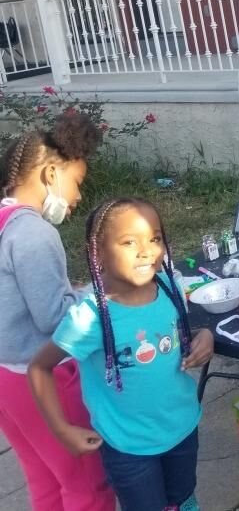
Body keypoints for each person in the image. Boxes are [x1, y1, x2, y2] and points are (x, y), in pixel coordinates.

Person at [29, 198, 214, 511]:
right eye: (129, 242)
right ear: (97, 252)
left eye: (154, 239)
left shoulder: (170, 286)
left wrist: (204, 337)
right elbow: (39, 368)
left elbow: (179, 333)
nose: (146, 251)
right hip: (129, 448)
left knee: (183, 500)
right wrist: (62, 429)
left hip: (182, 428)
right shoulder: (89, 317)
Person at [0, 113, 115, 511]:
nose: (79, 196)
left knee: (46, 479)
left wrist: (73, 290)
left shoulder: (4, 223)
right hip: (41, 378)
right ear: (51, 173)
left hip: (6, 380)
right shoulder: (34, 233)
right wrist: (99, 295)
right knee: (88, 485)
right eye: (77, 183)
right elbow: (55, 320)